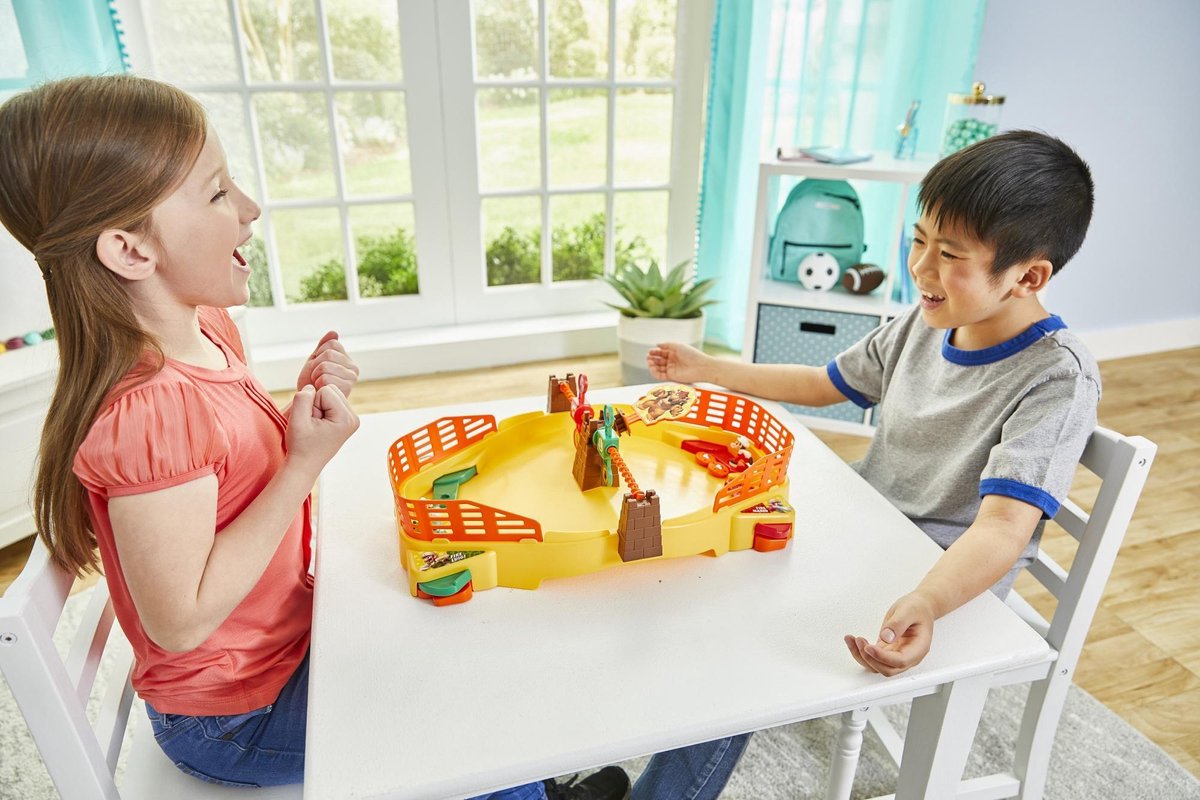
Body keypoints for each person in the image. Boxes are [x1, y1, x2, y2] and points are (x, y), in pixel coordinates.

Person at [0, 74, 629, 800]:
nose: (250, 208)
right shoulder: (147, 410)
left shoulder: (205, 329)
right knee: (463, 713)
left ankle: (529, 784)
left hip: (290, 646)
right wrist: (302, 465)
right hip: (238, 718)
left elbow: (224, 469)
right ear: (130, 252)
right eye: (216, 193)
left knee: (476, 628)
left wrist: (299, 408)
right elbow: (179, 622)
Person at [648, 130, 1098, 682]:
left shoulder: (1057, 377)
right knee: (706, 563)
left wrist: (929, 601)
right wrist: (711, 370)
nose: (921, 268)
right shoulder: (927, 322)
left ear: (1028, 276)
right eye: (919, 240)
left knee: (743, 608)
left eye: (950, 254)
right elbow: (822, 381)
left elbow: (1004, 528)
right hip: (867, 523)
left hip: (933, 572)